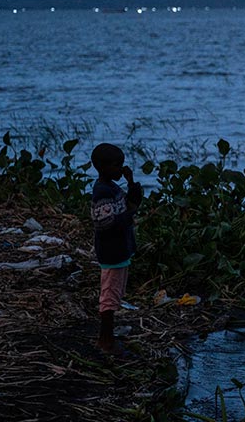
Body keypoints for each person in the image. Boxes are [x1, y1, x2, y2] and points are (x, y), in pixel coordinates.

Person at [90, 142, 143, 355]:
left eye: (121, 164)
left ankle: (108, 337)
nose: (120, 169)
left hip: (120, 250)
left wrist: (131, 182)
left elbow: (133, 203)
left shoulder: (113, 188)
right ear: (102, 168)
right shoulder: (102, 191)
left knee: (114, 293)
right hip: (112, 251)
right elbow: (105, 224)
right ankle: (106, 341)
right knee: (109, 297)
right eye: (116, 165)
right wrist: (128, 217)